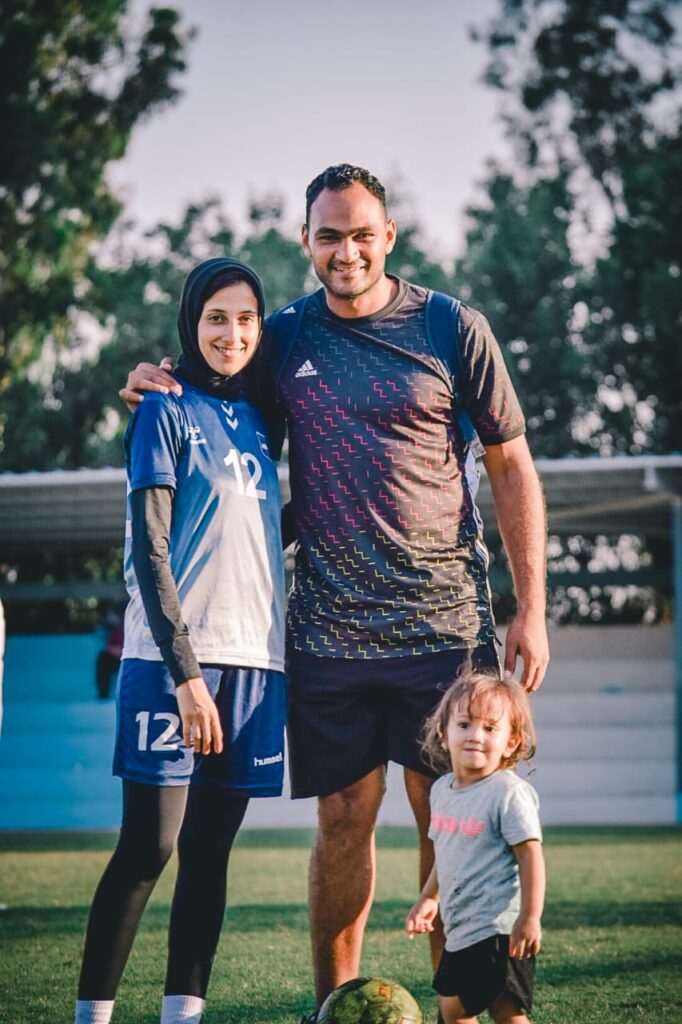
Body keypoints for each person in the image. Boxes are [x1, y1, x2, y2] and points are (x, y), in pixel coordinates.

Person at [121, 164, 550, 1020]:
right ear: (307, 242)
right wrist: (154, 381)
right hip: (327, 633)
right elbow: (212, 403)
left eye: (361, 235)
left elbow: (510, 466)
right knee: (344, 819)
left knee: (450, 821)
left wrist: (531, 609)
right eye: (329, 236)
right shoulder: (283, 337)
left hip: (444, 628)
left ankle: (459, 1012)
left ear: (388, 236)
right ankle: (334, 1011)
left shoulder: (451, 327)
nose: (346, 251)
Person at [75, 258, 286, 1024]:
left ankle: (182, 1016)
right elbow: (151, 552)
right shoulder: (162, 409)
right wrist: (187, 676)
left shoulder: (264, 418)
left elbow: (260, 534)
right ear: (191, 324)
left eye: (246, 319)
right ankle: (92, 1016)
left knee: (208, 857)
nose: (232, 333)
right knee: (149, 850)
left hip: (256, 663)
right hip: (172, 663)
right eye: (216, 317)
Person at [405, 672, 544, 1024]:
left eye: (490, 728)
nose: (475, 736)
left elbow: (530, 856)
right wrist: (429, 898)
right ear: (443, 731)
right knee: (458, 1008)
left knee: (494, 1010)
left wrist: (530, 917)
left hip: (499, 929)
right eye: (465, 724)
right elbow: (446, 852)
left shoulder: (507, 793)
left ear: (511, 742)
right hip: (461, 930)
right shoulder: (441, 791)